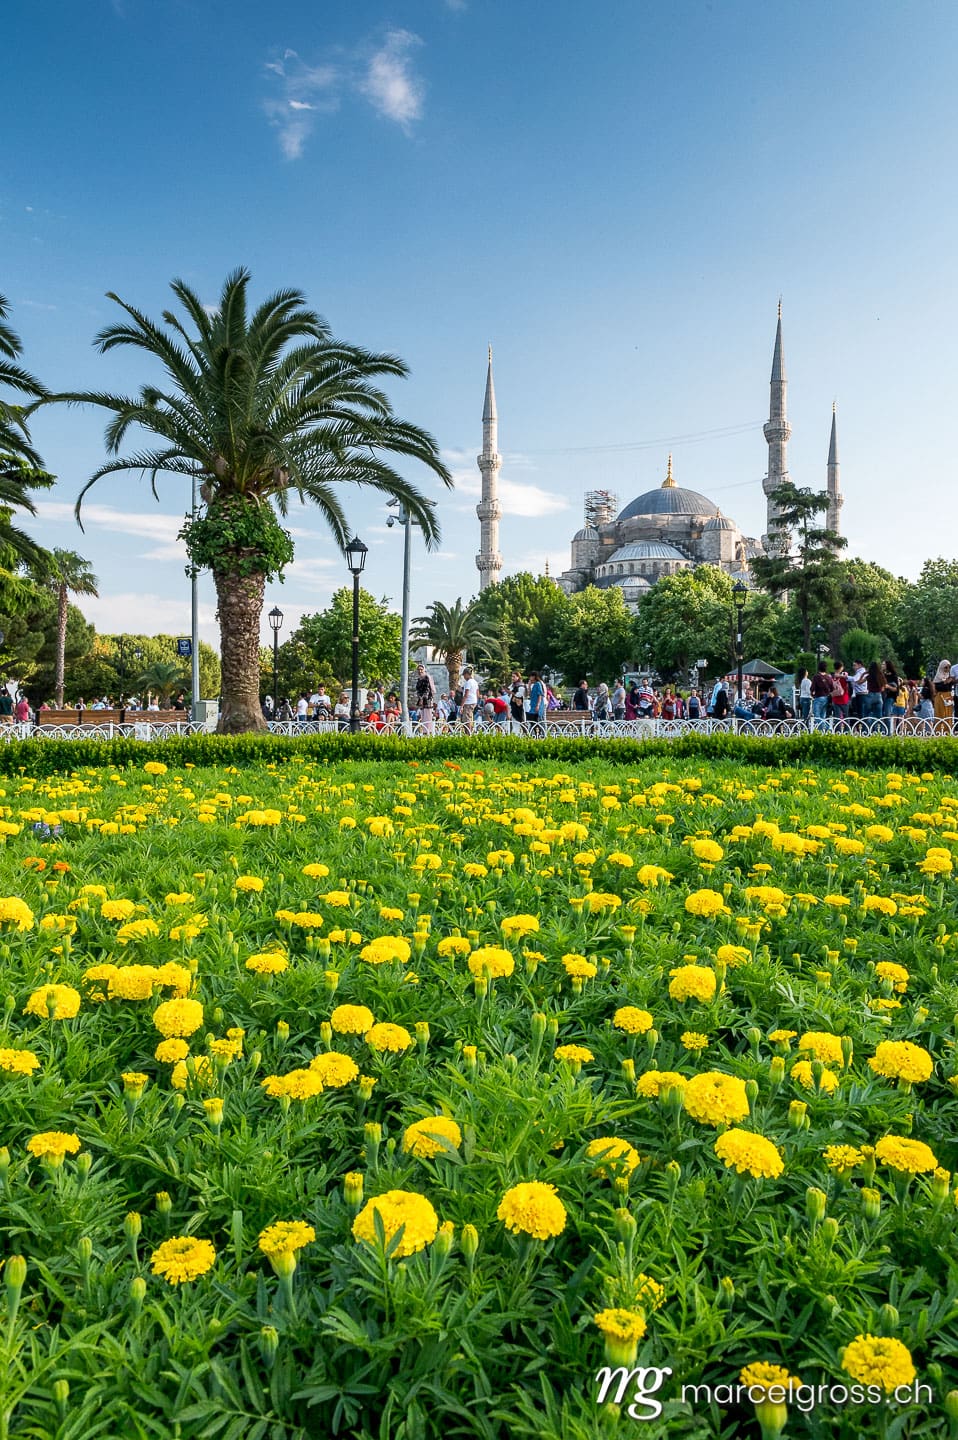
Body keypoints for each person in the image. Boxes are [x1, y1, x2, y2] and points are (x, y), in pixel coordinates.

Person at [862, 661, 885, 728]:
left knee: (866, 714)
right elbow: (883, 687)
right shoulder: (880, 675)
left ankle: (866, 730)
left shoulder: (869, 676)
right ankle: (880, 731)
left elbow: (859, 682)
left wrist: (863, 674)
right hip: (878, 696)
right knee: (879, 716)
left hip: (870, 695)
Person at [414, 663, 436, 735]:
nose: (420, 671)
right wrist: (420, 698)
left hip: (427, 699)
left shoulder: (427, 677)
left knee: (428, 715)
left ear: (424, 670)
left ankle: (428, 731)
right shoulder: (419, 679)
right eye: (419, 669)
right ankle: (424, 731)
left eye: (421, 669)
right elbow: (418, 690)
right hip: (421, 699)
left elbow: (427, 689)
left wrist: (422, 699)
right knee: (423, 716)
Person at [933, 659, 954, 730]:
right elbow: (938, 687)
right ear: (941, 667)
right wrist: (946, 682)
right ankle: (938, 731)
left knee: (948, 714)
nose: (948, 669)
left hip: (948, 696)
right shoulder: (937, 677)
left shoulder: (950, 676)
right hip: (940, 697)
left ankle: (948, 731)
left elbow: (949, 687)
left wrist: (950, 680)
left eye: (949, 667)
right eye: (946, 667)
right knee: (940, 713)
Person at [810, 662, 831, 728]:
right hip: (826, 698)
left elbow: (812, 688)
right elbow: (832, 688)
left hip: (818, 697)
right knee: (822, 716)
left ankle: (829, 728)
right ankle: (821, 732)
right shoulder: (828, 677)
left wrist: (812, 694)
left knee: (817, 717)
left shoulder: (816, 677)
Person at [460, 667, 479, 734]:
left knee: (466, 719)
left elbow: (466, 694)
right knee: (470, 718)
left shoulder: (468, 682)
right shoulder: (475, 682)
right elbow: (477, 693)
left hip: (468, 702)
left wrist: (461, 706)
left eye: (464, 675)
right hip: (474, 701)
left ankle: (468, 734)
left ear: (467, 674)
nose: (464, 677)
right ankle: (469, 732)